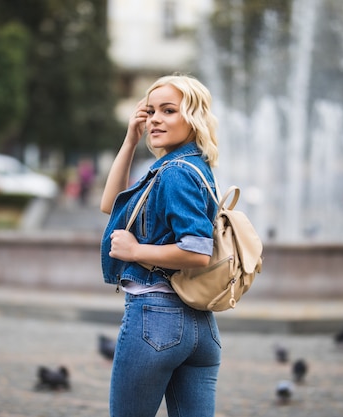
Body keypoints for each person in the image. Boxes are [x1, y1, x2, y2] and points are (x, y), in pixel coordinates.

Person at [100, 74, 221, 417]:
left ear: (193, 117)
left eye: (168, 110)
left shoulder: (175, 173)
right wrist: (129, 141)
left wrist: (135, 251)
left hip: (156, 318)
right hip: (200, 327)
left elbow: (197, 250)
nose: (155, 119)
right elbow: (111, 205)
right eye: (150, 111)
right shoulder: (189, 167)